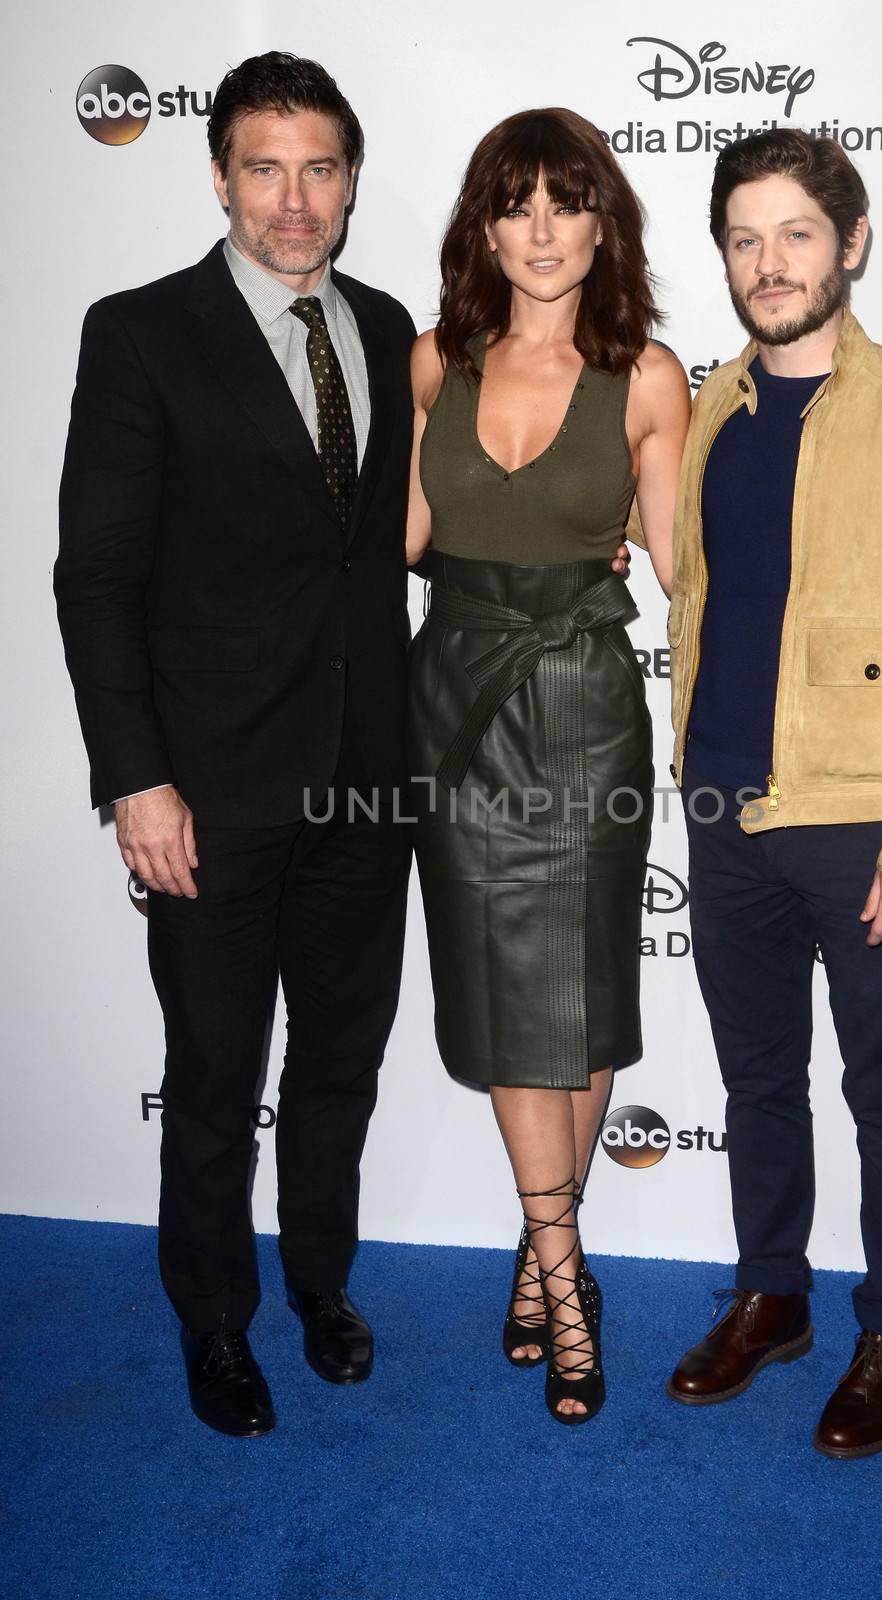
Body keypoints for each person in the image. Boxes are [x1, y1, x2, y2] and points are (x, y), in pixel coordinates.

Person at [54, 53, 416, 1438]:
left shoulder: (389, 331)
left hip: (366, 782)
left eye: (320, 167)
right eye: (264, 167)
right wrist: (138, 777)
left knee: (339, 1059)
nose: (293, 198)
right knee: (213, 1073)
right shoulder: (142, 332)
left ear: (348, 182)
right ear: (220, 175)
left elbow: (394, 548)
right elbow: (98, 579)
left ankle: (321, 1282)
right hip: (205, 788)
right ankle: (215, 1321)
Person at [661, 129, 882, 1456]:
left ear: (850, 244)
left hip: (865, 819)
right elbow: (704, 604)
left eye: (796, 232)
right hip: (724, 810)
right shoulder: (713, 409)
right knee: (757, 1080)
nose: (769, 260)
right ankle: (774, 1297)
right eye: (745, 237)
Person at [405, 108, 690, 1424]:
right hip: (458, 708)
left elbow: (684, 563)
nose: (538, 229)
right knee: (510, 997)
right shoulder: (431, 364)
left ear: (601, 223)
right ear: (485, 226)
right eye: (512, 203)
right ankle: (565, 1265)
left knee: (575, 996)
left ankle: (545, 1261)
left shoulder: (646, 377)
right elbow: (398, 541)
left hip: (584, 705)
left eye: (564, 203)